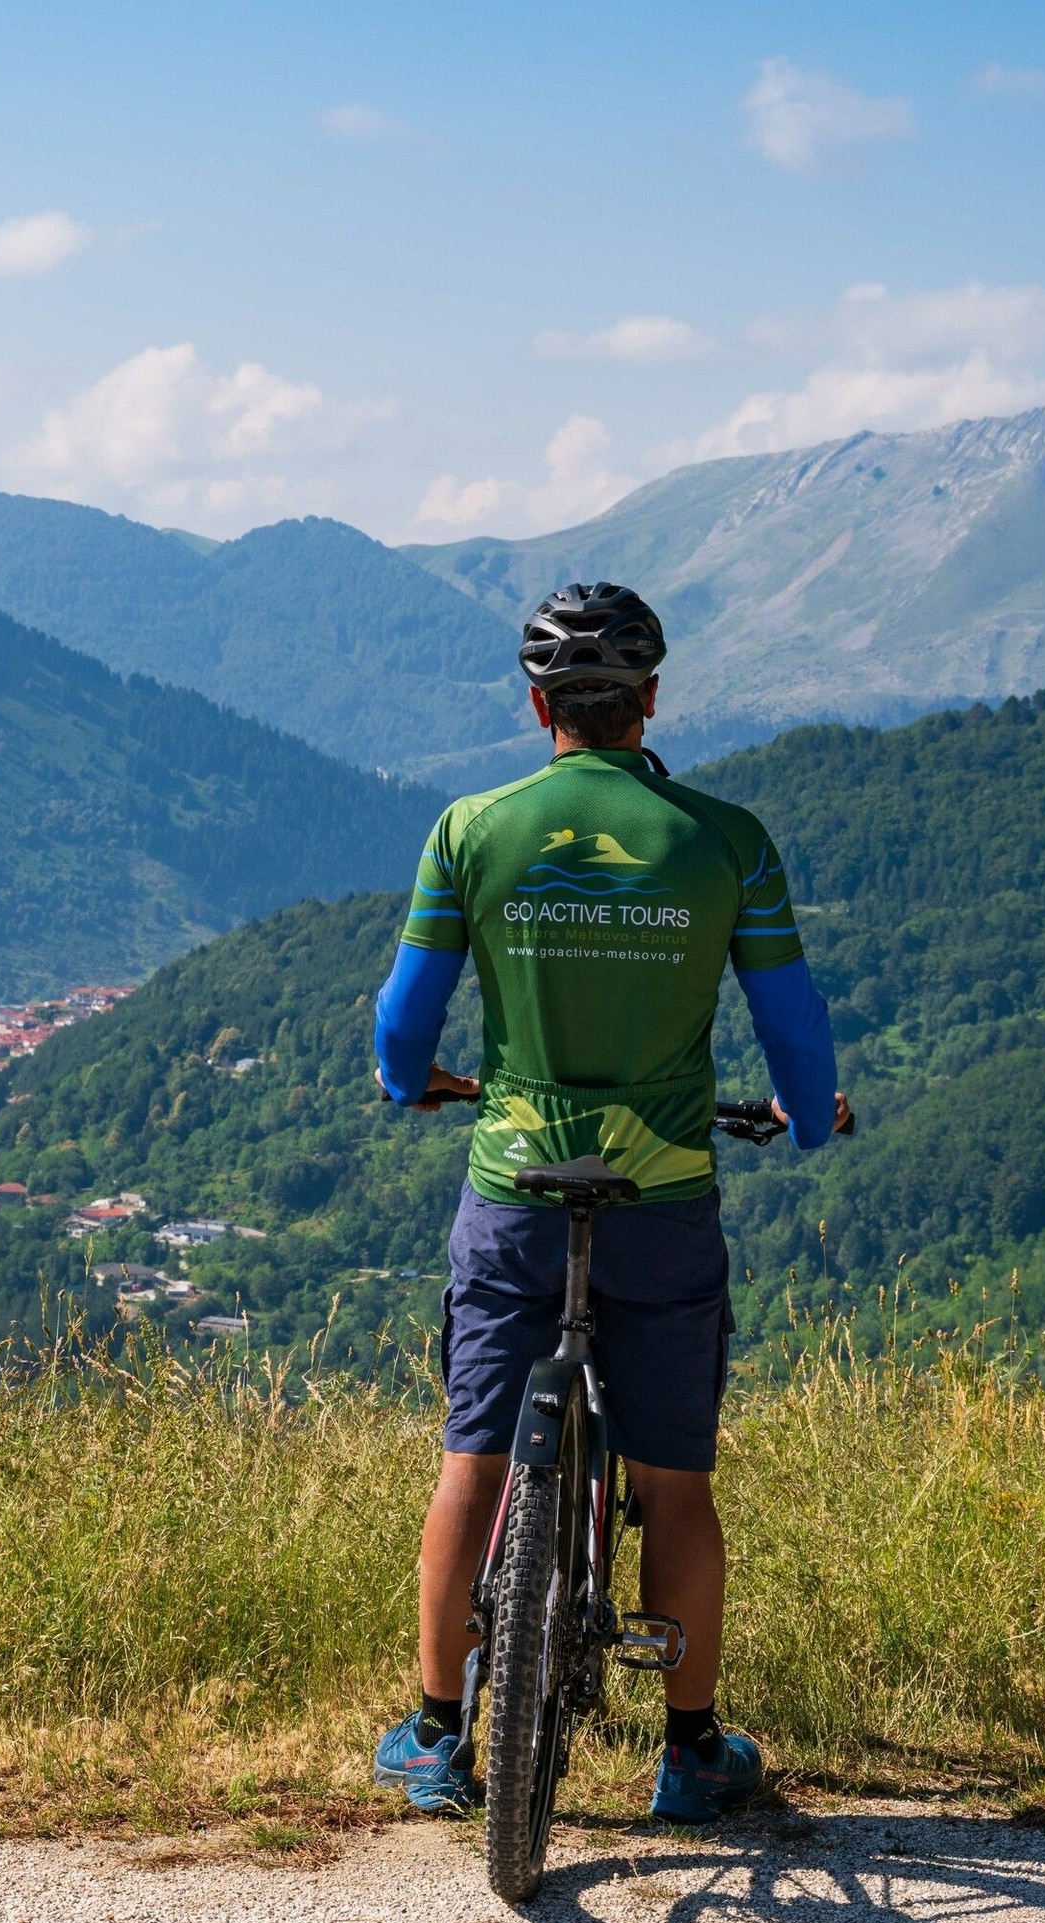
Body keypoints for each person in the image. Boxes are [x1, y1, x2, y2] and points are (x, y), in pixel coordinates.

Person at [365, 582, 847, 1826]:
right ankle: (688, 1750)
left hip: (516, 1187)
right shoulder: (726, 837)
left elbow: (402, 1030)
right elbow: (792, 1027)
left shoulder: (473, 828)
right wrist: (805, 1114)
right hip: (665, 1193)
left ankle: (434, 1734)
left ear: (538, 708)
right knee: (675, 1484)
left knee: (472, 1456)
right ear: (651, 701)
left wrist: (410, 1082)